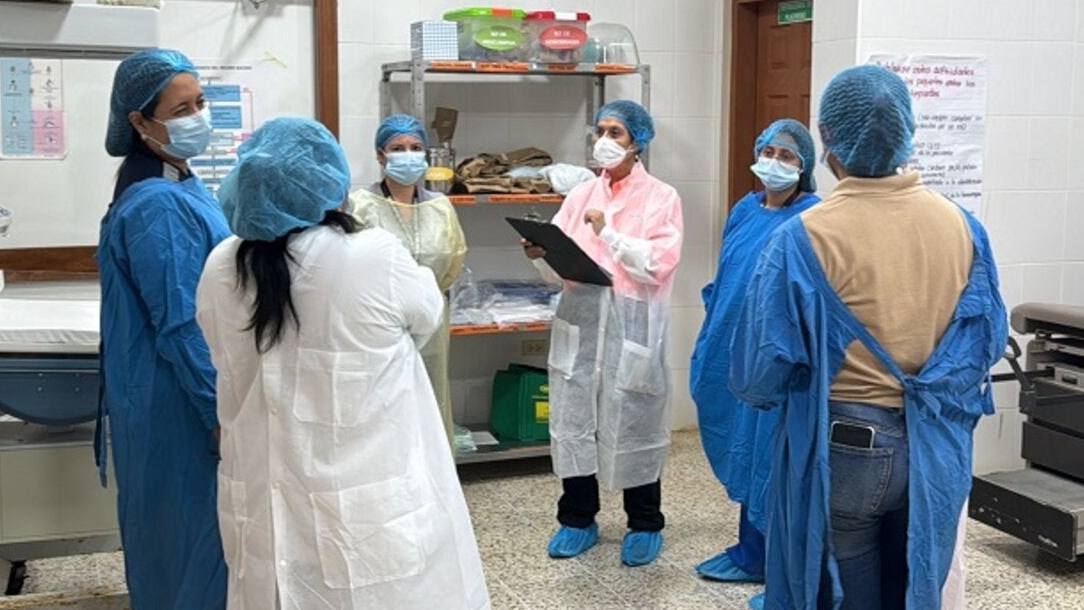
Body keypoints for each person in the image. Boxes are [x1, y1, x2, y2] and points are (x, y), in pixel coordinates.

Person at [731, 65, 1007, 609]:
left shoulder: (803, 237)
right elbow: (988, 342)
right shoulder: (963, 227)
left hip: (849, 450)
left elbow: (758, 376)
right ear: (908, 133)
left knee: (846, 590)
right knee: (916, 583)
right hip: (938, 449)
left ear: (828, 142)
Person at [196, 117, 490, 609]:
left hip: (263, 504)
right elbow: (426, 318)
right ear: (329, 184)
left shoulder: (222, 264)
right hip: (364, 512)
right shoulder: (370, 256)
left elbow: (218, 351)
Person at [94, 49, 231, 609]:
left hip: (162, 396)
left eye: (200, 102)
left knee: (173, 535)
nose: (199, 115)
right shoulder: (158, 205)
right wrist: (216, 411)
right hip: (176, 403)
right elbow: (180, 324)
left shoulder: (174, 181)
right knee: (189, 539)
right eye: (182, 107)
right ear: (138, 121)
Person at [520, 100, 684, 567]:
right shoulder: (579, 196)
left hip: (632, 325)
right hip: (581, 318)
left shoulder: (661, 197)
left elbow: (657, 264)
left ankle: (645, 521)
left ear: (639, 143)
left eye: (617, 133)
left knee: (634, 418)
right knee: (573, 420)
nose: (605, 142)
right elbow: (558, 273)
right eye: (601, 131)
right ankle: (577, 518)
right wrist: (539, 254)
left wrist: (609, 233)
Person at [691, 119, 821, 597]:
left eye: (787, 156)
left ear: (805, 167)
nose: (774, 162)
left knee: (776, 461)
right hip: (731, 347)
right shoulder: (745, 209)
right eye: (768, 151)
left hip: (778, 362)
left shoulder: (813, 217)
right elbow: (729, 272)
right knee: (745, 453)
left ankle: (786, 569)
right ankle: (751, 552)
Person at [348, 114, 467, 449]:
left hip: (431, 321)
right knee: (384, 401)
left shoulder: (441, 207)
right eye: (397, 148)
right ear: (380, 155)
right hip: (378, 321)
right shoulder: (361, 205)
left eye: (416, 147)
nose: (408, 154)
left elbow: (454, 260)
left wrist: (424, 298)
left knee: (431, 395)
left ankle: (434, 482)